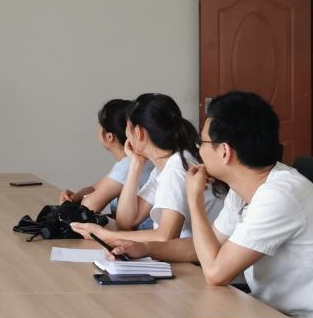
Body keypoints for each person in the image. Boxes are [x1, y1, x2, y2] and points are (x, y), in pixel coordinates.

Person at [108, 92, 313, 318]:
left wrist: (194, 199)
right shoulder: (246, 187)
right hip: (272, 314)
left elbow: (215, 273)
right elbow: (203, 248)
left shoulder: (278, 195)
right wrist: (145, 249)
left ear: (225, 151)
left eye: (202, 143)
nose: (198, 150)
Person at [71, 93, 223, 243]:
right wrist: (135, 163)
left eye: (127, 128)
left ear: (139, 133)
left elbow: (165, 237)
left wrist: (106, 235)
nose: (126, 136)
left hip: (196, 258)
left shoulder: (176, 169)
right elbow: (126, 221)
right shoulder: (162, 168)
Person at [59, 99, 153, 217]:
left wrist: (75, 201)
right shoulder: (134, 159)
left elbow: (89, 206)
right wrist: (75, 196)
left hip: (136, 229)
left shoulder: (129, 164)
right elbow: (95, 188)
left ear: (108, 136)